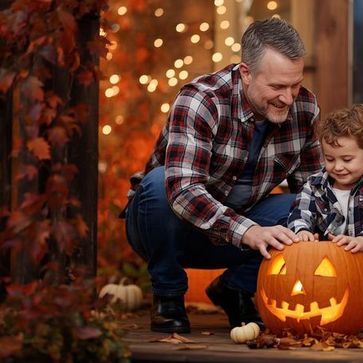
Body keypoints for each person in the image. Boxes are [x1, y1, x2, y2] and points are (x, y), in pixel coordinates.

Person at [122, 18, 323, 334]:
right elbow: (183, 190)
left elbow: (315, 189)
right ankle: (168, 295)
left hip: (239, 226)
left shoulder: (305, 108)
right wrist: (248, 231)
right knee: (159, 184)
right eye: (277, 87)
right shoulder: (202, 100)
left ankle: (234, 288)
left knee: (309, 208)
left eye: (294, 84)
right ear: (245, 73)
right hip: (170, 226)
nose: (288, 97)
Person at [287, 104, 363, 342]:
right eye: (330, 159)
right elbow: (299, 212)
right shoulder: (315, 184)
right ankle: (319, 315)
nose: (338, 167)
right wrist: (302, 231)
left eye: (347, 159)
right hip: (330, 268)